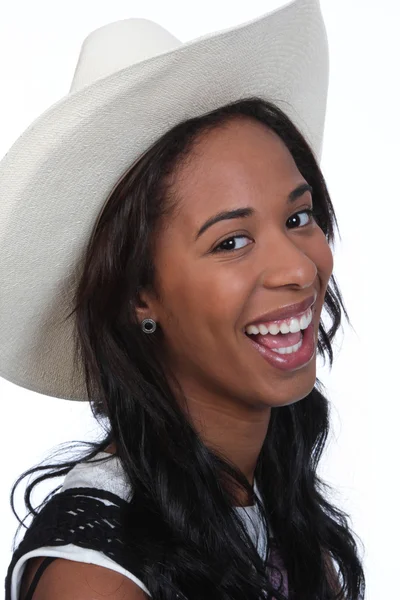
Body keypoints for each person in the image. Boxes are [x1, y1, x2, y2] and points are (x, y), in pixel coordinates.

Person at [0, 1, 366, 599]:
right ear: (138, 296)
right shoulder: (93, 578)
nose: (299, 267)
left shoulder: (270, 504)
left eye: (299, 216)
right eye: (233, 240)